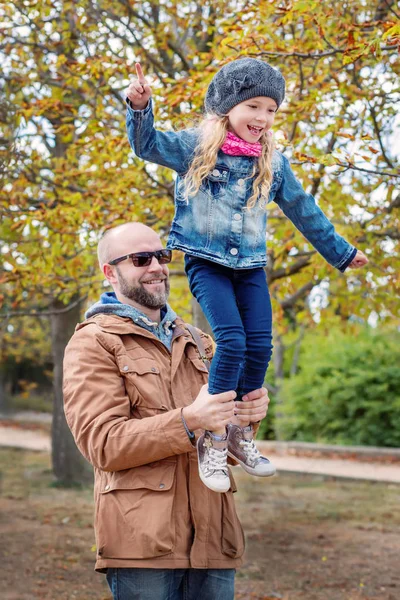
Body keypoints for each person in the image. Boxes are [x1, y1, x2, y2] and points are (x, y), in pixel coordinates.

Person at [125, 57, 369, 493]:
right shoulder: (195, 148)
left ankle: (240, 432)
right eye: (253, 106)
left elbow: (304, 211)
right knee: (232, 341)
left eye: (271, 110)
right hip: (206, 262)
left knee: (259, 346)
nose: (263, 117)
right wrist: (140, 107)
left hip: (251, 266)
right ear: (228, 108)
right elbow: (148, 146)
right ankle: (213, 436)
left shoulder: (273, 163)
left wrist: (342, 253)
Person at [63, 221, 271, 600]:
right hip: (144, 543)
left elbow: (222, 435)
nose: (157, 266)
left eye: (162, 256)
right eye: (141, 259)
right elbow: (103, 444)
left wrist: (249, 413)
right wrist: (190, 420)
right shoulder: (93, 342)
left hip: (215, 539)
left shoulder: (201, 340)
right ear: (110, 272)